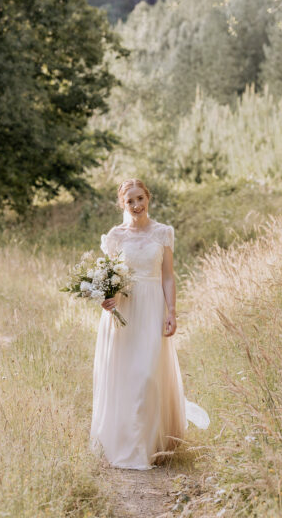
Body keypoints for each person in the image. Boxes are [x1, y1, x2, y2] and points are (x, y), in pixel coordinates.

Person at [90, 178, 209, 470]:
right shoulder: (115, 237)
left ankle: (149, 445)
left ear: (148, 198)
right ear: (122, 204)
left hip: (152, 309)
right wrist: (107, 299)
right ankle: (126, 445)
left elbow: (168, 275)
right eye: (129, 201)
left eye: (140, 198)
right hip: (125, 313)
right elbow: (110, 278)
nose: (136, 205)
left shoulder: (163, 233)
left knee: (147, 375)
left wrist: (172, 310)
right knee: (126, 377)